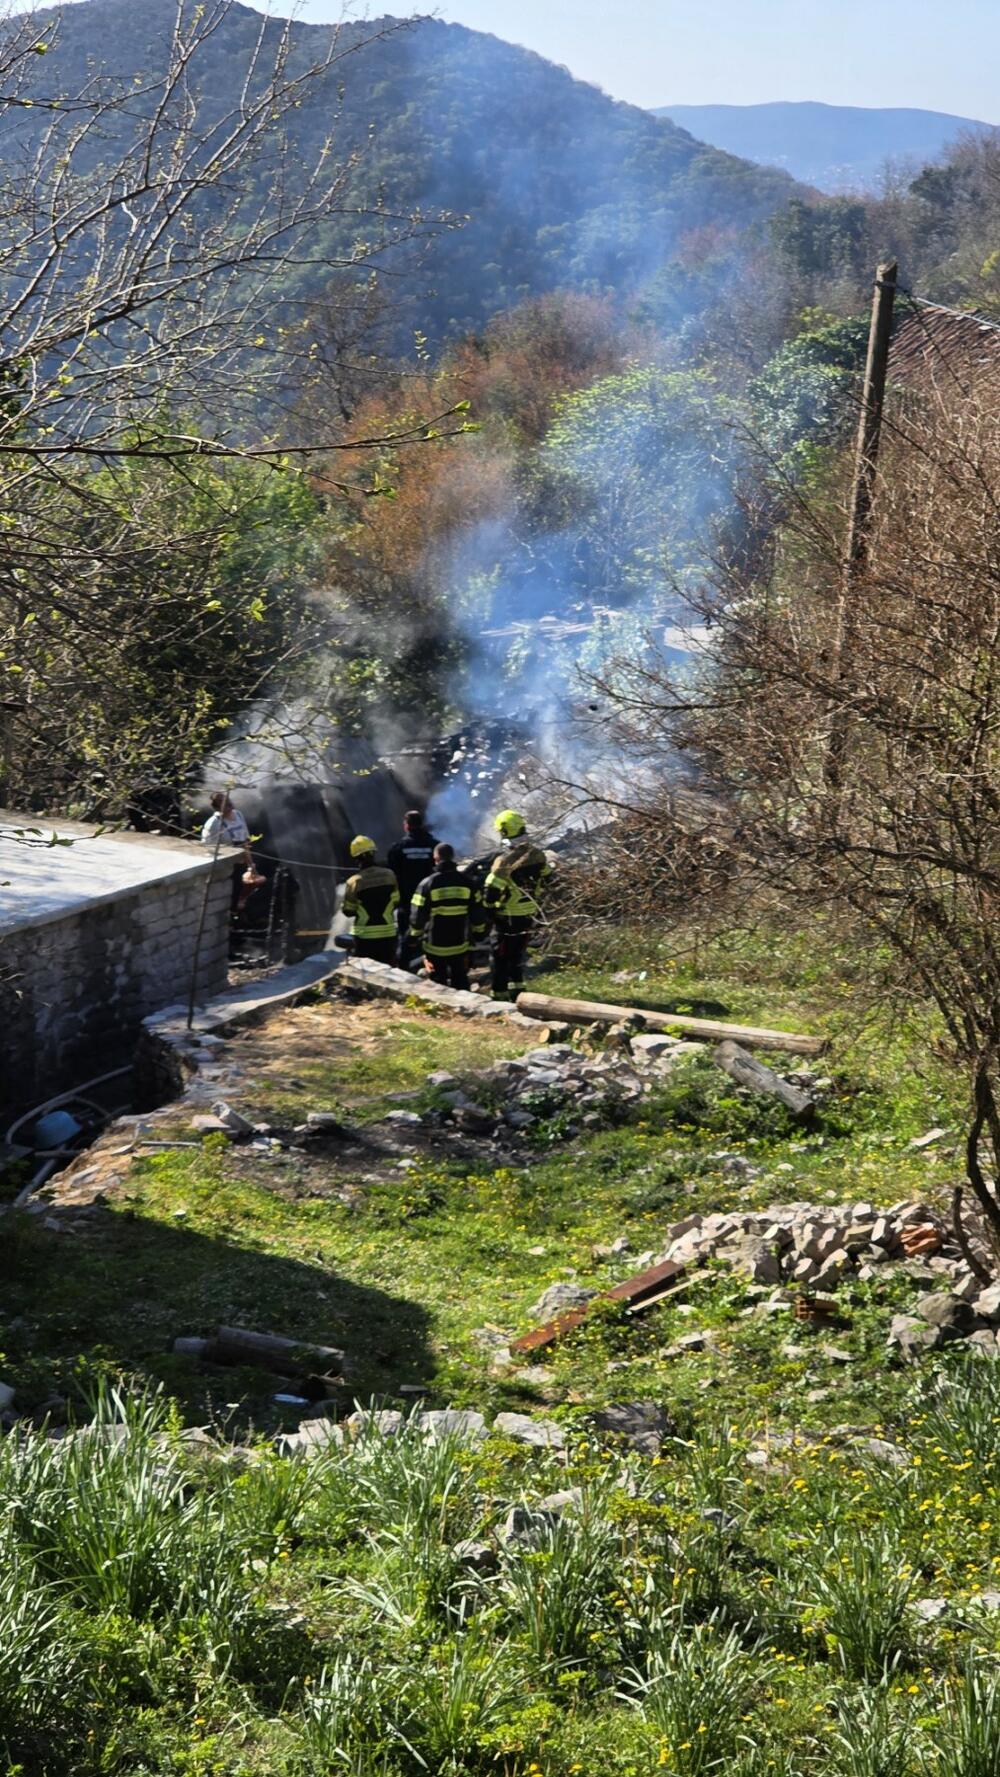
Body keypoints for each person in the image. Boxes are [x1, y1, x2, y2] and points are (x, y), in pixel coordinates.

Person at [482, 809, 553, 999]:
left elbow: (490, 892)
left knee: (500, 957)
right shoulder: (537, 855)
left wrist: (490, 912)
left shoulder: (504, 862)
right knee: (517, 954)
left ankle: (499, 994)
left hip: (508, 916)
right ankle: (518, 991)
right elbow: (549, 879)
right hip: (529, 914)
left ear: (504, 832)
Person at [409, 842, 485, 990]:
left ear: (436, 858)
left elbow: (418, 916)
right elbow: (478, 912)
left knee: (438, 983)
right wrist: (479, 932)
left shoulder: (427, 884)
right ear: (452, 858)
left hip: (435, 946)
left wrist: (413, 936)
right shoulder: (467, 882)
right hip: (460, 945)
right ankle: (466, 1007)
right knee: (460, 979)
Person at [387, 809, 437, 966]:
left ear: (407, 826)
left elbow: (392, 875)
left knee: (406, 937)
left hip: (407, 901)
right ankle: (431, 966)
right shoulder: (434, 846)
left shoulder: (398, 848)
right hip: (431, 901)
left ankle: (404, 970)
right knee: (431, 936)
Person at [342, 835, 400, 962]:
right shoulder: (390, 875)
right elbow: (396, 901)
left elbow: (348, 911)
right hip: (388, 934)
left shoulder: (354, 882)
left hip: (364, 937)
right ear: (373, 853)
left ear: (356, 858)